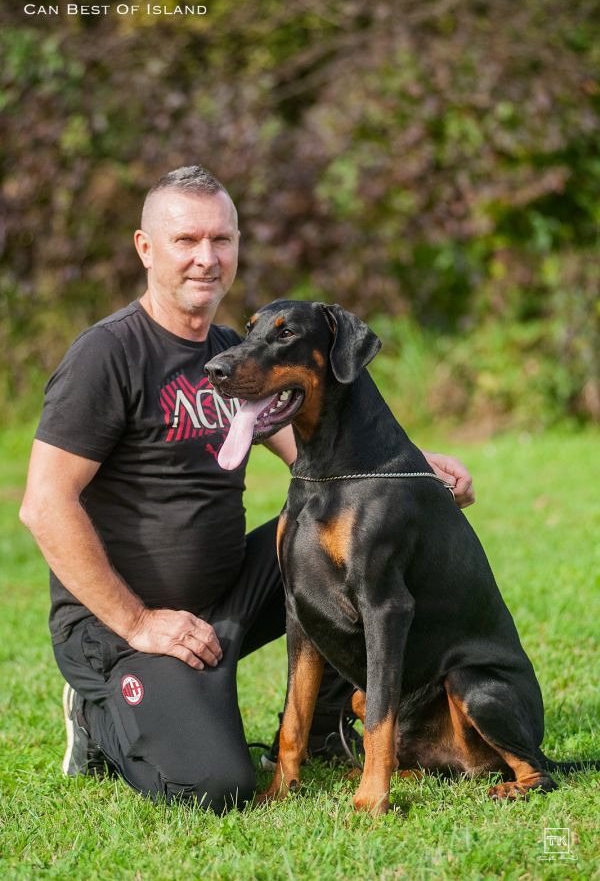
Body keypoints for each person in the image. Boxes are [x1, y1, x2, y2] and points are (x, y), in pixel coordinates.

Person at [20, 165, 475, 813]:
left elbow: (329, 461)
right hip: (124, 621)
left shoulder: (237, 354)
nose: (206, 257)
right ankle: (97, 716)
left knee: (360, 545)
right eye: (186, 240)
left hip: (227, 596)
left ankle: (326, 727)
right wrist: (138, 622)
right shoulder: (108, 354)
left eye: (221, 239)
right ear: (146, 248)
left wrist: (415, 470)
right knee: (216, 784)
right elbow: (45, 505)